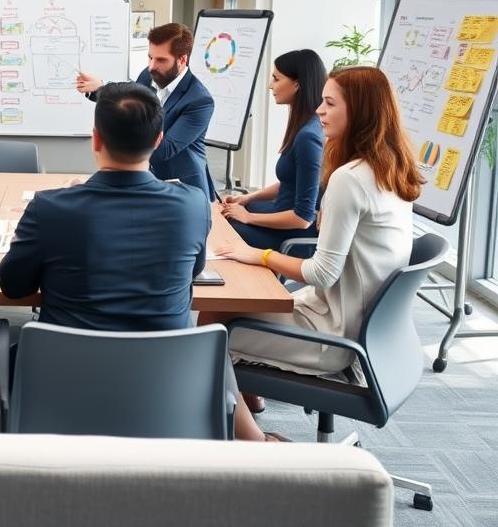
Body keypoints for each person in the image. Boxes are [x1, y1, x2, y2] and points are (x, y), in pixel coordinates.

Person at [216, 66, 424, 441]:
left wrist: (258, 256)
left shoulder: (351, 179)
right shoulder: (390, 169)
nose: (319, 111)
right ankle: (248, 409)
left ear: (359, 112)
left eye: (329, 103)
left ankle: (256, 444)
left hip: (332, 339)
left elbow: (323, 272)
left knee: (209, 332)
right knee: (223, 312)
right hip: (361, 331)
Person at [0, 81, 209, 330]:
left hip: (66, 366)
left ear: (96, 139)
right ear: (158, 140)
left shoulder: (50, 207)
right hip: (166, 366)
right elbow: (192, 272)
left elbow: (13, 287)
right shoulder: (194, 204)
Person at [76, 23, 215, 200]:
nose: (151, 66)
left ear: (182, 59)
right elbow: (129, 100)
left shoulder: (199, 100)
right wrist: (99, 88)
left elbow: (165, 149)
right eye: (150, 57)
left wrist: (116, 142)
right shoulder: (148, 75)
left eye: (161, 60)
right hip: (147, 183)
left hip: (184, 189)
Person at [220, 49, 326, 250]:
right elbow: (291, 181)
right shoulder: (303, 126)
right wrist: (248, 198)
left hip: (293, 234)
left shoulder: (308, 137)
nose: (270, 85)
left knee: (226, 225)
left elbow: (303, 218)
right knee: (230, 209)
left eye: (276, 79)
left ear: (297, 84)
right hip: (283, 216)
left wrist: (248, 217)